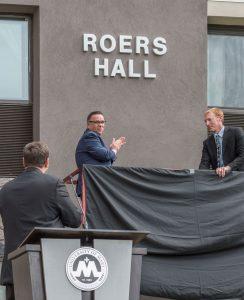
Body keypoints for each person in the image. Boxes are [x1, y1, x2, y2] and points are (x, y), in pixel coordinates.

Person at [0, 142, 82, 300]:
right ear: (47, 162)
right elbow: (75, 220)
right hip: (47, 267)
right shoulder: (53, 184)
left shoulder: (6, 190)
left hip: (14, 269)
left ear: (24, 162)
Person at [75, 111, 126, 196]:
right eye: (97, 122)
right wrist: (114, 149)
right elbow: (106, 156)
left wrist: (111, 151)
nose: (101, 125)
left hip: (97, 184)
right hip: (91, 185)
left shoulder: (94, 138)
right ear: (88, 124)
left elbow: (106, 160)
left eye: (102, 122)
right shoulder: (90, 136)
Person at [199, 107, 244, 177]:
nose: (207, 123)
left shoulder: (236, 132)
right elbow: (204, 165)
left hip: (237, 179)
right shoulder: (207, 142)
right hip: (219, 181)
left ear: (219, 118)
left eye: (209, 120)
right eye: (205, 121)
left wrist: (227, 168)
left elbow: (242, 155)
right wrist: (198, 176)